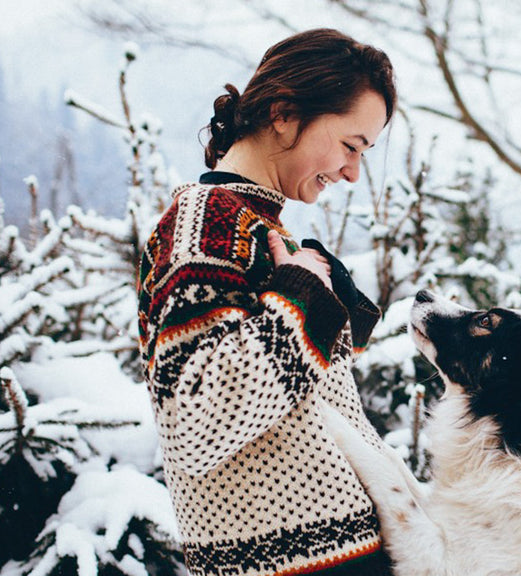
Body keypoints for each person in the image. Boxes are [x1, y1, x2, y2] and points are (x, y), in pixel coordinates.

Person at [136, 29, 397, 576]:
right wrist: (301, 297)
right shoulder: (203, 221)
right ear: (283, 111)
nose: (352, 172)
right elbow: (197, 423)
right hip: (293, 563)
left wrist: (323, 296)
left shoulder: (256, 227)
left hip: (326, 556)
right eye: (351, 146)